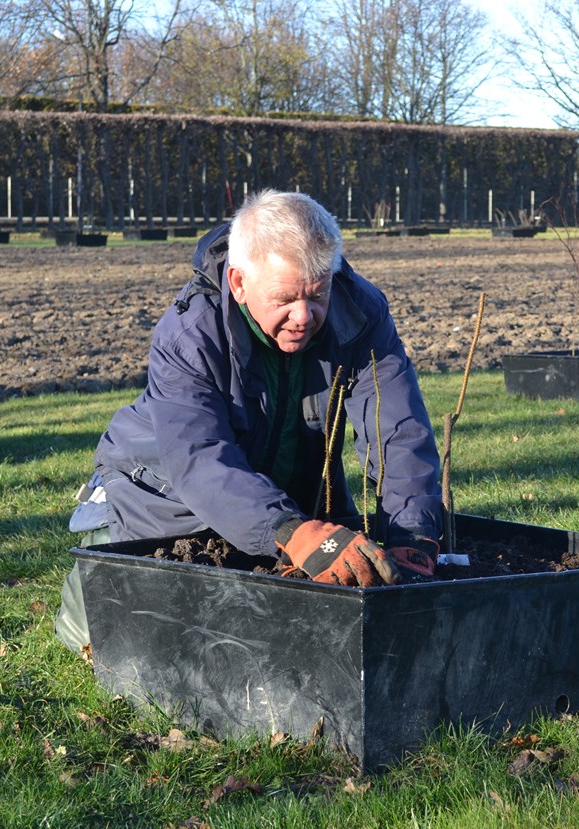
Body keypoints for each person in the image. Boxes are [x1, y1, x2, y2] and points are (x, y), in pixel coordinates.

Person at [57, 190, 444, 652]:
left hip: (292, 494)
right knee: (130, 636)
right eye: (285, 298)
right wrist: (290, 531)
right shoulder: (189, 334)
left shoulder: (359, 314)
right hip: (164, 497)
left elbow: (398, 429)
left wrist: (412, 536)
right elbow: (200, 460)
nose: (304, 316)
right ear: (239, 283)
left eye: (317, 294)